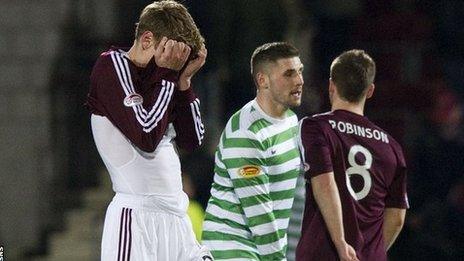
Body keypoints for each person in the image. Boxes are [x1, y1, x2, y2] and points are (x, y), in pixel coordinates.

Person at [86, 1, 211, 260]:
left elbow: (192, 141)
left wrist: (184, 83)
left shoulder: (167, 77)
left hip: (177, 218)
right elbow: (146, 135)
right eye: (167, 55)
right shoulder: (112, 66)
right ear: (146, 40)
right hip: (135, 222)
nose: (172, 64)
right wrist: (168, 76)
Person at [296, 50, 409, 261]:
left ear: (331, 85)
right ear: (370, 91)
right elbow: (397, 218)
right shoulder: (392, 147)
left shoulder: (316, 127)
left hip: (323, 254)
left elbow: (325, 185)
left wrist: (341, 244)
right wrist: (368, 253)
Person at [202, 42, 304, 260]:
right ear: (262, 80)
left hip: (264, 250)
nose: (299, 81)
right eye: (288, 74)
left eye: (299, 71)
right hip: (231, 249)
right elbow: (259, 215)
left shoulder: (291, 121)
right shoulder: (246, 132)